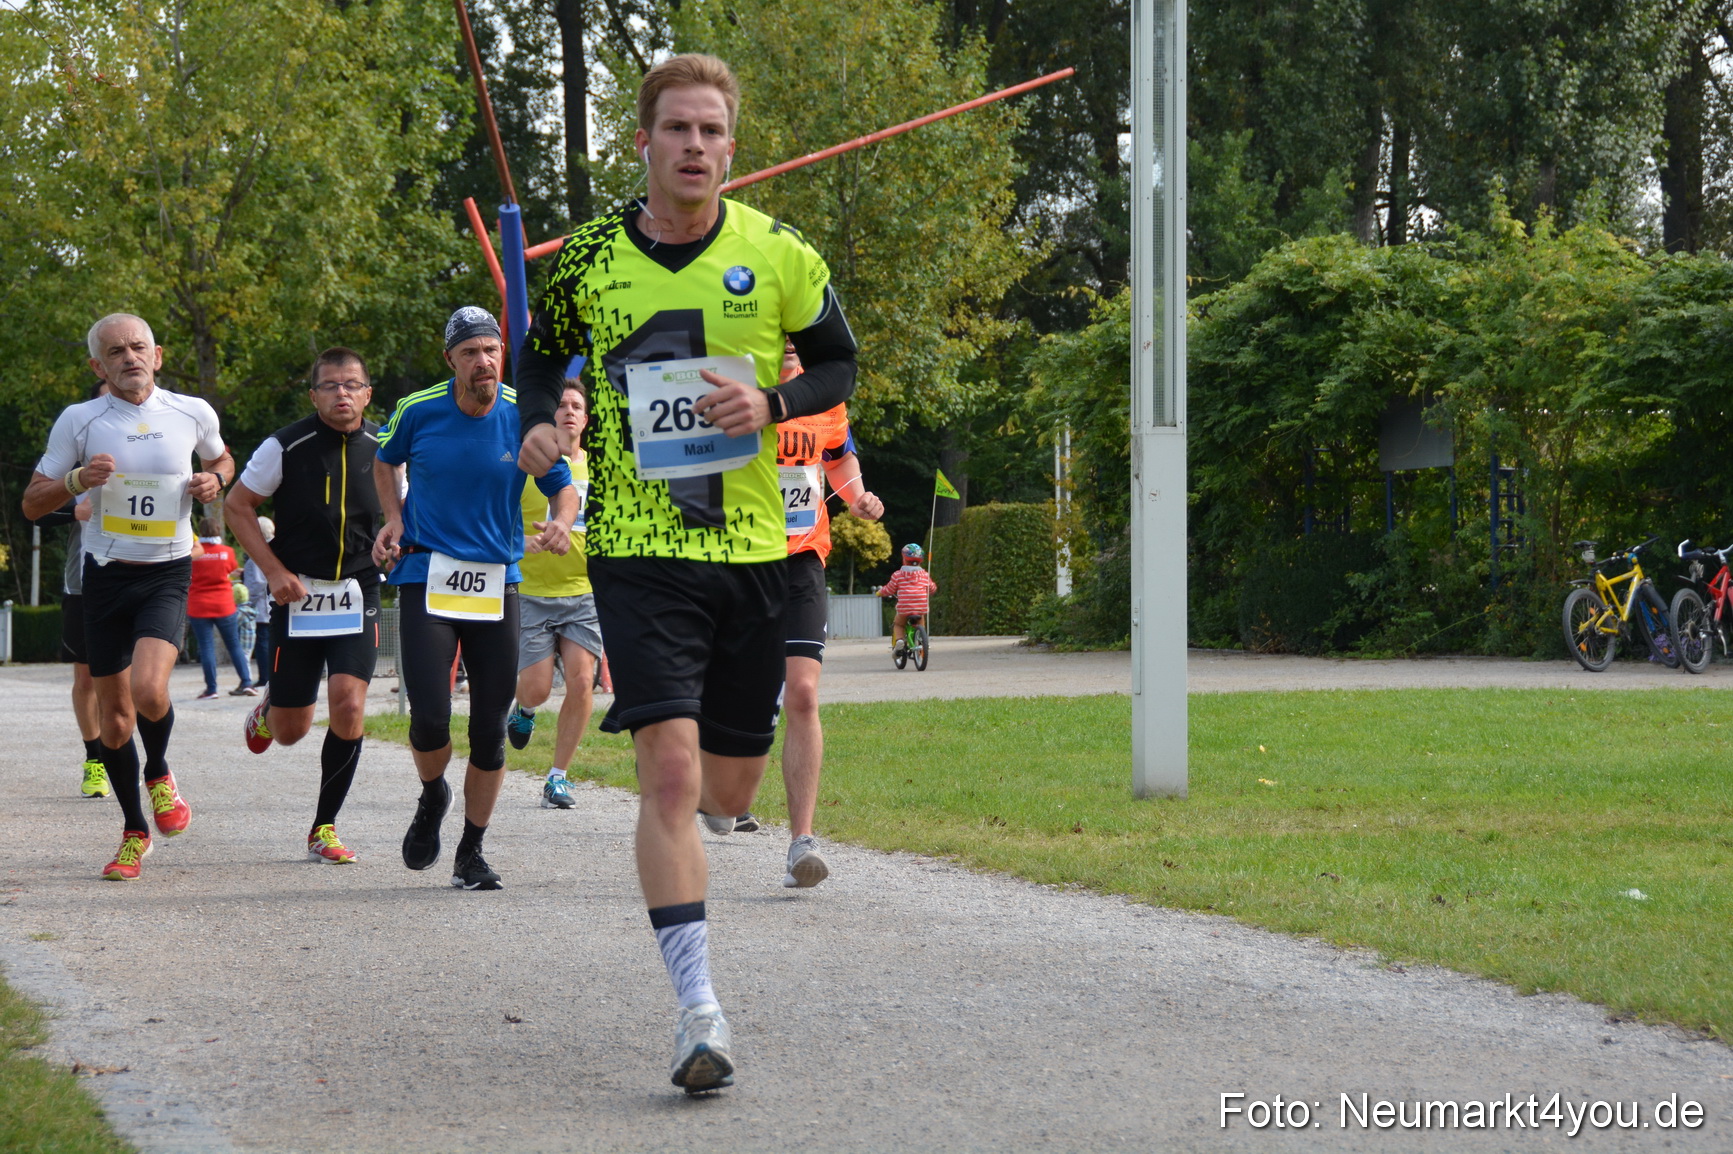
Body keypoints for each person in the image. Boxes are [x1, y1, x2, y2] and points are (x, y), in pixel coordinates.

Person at [513, 53, 859, 1093]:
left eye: (712, 132)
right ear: (644, 142)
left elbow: (839, 361)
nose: (696, 147)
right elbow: (542, 353)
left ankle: (719, 824)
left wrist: (776, 406)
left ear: (731, 147)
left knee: (725, 785)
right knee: (664, 768)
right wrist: (537, 422)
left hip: (757, 553)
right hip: (637, 548)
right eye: (678, 130)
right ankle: (697, 1009)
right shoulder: (584, 260)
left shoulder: (779, 252)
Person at [22, 313, 233, 880]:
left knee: (148, 688)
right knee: (114, 722)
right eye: (115, 352)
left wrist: (215, 480)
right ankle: (134, 831)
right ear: (99, 365)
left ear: (157, 355)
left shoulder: (192, 412)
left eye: (138, 347)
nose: (129, 358)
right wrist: (75, 482)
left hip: (167, 572)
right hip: (106, 577)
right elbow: (32, 502)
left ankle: (159, 771)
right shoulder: (81, 421)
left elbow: (221, 458)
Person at [374, 307, 576, 891]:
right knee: (431, 718)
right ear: (451, 361)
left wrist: (562, 522)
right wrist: (393, 518)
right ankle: (433, 792)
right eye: (469, 353)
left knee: (489, 729)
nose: (482, 361)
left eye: (491, 350)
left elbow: (562, 488)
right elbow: (385, 460)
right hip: (427, 574)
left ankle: (470, 851)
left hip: (497, 582)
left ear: (502, 355)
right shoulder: (419, 410)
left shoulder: (522, 416)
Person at [707, 341, 882, 888]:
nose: (786, 345)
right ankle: (717, 783)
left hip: (802, 560)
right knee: (739, 689)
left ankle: (801, 843)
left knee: (802, 692)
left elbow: (838, 455)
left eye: (795, 336)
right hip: (738, 559)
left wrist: (856, 496)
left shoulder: (825, 395)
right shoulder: (732, 383)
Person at [228, 347, 383, 865]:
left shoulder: (385, 449)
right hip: (297, 594)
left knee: (349, 702)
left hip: (358, 590)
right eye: (331, 385)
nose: (342, 394)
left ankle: (324, 826)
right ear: (313, 393)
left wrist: (396, 541)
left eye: (352, 385)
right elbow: (237, 506)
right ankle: (272, 708)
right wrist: (274, 572)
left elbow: (403, 514)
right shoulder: (285, 445)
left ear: (367, 392)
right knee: (291, 732)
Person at [505, 380, 604, 809]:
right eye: (559, 403)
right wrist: (517, 543)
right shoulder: (529, 463)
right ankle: (523, 710)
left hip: (583, 592)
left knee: (583, 681)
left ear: (585, 419)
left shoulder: (600, 471)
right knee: (537, 689)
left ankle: (558, 777)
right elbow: (499, 514)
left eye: (576, 406)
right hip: (531, 592)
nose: (567, 411)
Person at [25, 381, 112, 799]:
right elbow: (35, 512)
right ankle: (94, 758)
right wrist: (72, 508)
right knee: (86, 675)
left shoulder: (152, 445)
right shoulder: (73, 454)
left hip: (143, 576)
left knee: (135, 678)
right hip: (84, 580)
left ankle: (136, 758)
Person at [187, 517, 258, 700]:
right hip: (224, 604)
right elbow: (231, 569)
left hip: (199, 605)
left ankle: (211, 689)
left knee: (206, 646)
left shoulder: (193, 553)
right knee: (234, 644)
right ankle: (247, 682)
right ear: (219, 530)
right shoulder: (226, 552)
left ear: (201, 532)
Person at [878, 543, 938, 657]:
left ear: (904, 559)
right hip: (921, 607)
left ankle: (900, 640)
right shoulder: (924, 575)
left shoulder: (898, 575)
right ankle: (921, 640)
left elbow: (889, 589)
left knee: (899, 624)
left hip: (905, 607)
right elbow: (932, 588)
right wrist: (931, 591)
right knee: (921, 619)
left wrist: (880, 592)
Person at [240, 515, 275, 689]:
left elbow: (257, 583)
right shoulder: (278, 548)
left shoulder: (258, 552)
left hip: (262, 604)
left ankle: (265, 677)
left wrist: (249, 601)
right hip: (274, 602)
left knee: (263, 642)